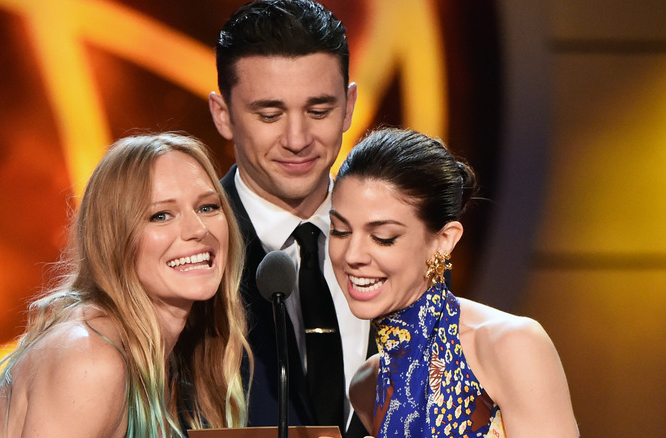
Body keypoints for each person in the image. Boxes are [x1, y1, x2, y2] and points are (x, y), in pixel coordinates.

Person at [0, 133, 250, 438]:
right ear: (114, 238)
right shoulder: (92, 359)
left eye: (207, 207)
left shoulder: (163, 352)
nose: (198, 230)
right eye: (161, 215)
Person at [328, 127, 580, 437]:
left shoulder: (512, 345)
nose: (352, 255)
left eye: (383, 237)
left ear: (444, 240)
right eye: (340, 231)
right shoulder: (367, 386)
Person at [207, 0, 371, 436]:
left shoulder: (403, 241)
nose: (297, 139)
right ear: (223, 115)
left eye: (319, 111)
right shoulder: (189, 248)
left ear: (349, 105)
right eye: (270, 114)